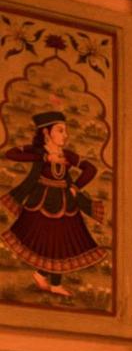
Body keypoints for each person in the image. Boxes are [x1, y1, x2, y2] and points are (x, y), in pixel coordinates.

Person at [1, 111, 105, 297]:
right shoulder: (39, 152)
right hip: (41, 204)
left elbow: (91, 169)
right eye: (60, 130)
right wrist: (44, 158)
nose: (66, 135)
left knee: (62, 244)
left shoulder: (67, 155)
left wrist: (75, 186)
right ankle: (44, 277)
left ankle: (49, 280)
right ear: (46, 133)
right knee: (45, 242)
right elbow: (11, 153)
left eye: (65, 130)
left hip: (66, 205)